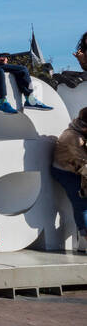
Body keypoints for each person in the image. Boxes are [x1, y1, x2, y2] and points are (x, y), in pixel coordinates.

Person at [51, 107, 87, 252]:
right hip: (66, 171)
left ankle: (82, 242)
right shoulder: (74, 138)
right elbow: (82, 165)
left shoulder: (79, 130)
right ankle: (85, 237)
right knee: (82, 203)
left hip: (77, 169)